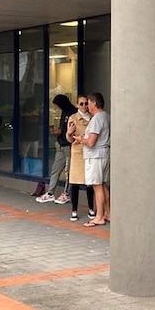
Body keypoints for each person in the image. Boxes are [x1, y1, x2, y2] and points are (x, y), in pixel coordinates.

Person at [36, 94, 78, 204]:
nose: (58, 108)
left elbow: (73, 130)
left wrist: (61, 132)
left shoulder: (74, 113)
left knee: (69, 171)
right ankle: (50, 193)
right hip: (61, 145)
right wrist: (59, 131)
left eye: (58, 105)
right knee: (55, 169)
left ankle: (66, 193)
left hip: (69, 145)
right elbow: (63, 128)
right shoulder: (64, 112)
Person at [79, 92, 110, 227]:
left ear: (95, 104)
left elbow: (91, 142)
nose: (87, 106)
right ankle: (108, 213)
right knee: (103, 185)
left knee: (97, 186)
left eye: (89, 103)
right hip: (105, 154)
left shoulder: (97, 118)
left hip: (95, 156)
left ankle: (99, 216)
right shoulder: (107, 116)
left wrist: (82, 140)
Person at [64, 94, 95, 222]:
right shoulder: (73, 118)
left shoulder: (93, 117)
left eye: (86, 103)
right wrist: (70, 132)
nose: (84, 106)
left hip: (90, 151)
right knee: (75, 182)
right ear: (77, 105)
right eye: (81, 104)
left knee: (90, 183)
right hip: (78, 153)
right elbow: (69, 139)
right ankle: (74, 210)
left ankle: (91, 208)